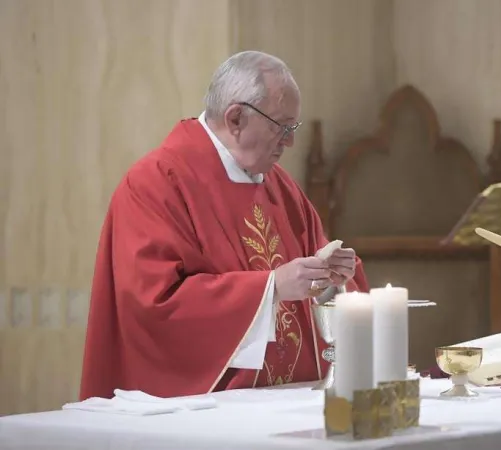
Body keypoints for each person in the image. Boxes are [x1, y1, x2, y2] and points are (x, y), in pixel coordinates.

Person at [79, 51, 369, 400]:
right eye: (282, 127)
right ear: (235, 119)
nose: (290, 142)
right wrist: (271, 288)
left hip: (291, 403)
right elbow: (154, 306)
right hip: (200, 412)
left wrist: (332, 279)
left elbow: (314, 290)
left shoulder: (282, 189)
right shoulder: (157, 183)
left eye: (294, 128)